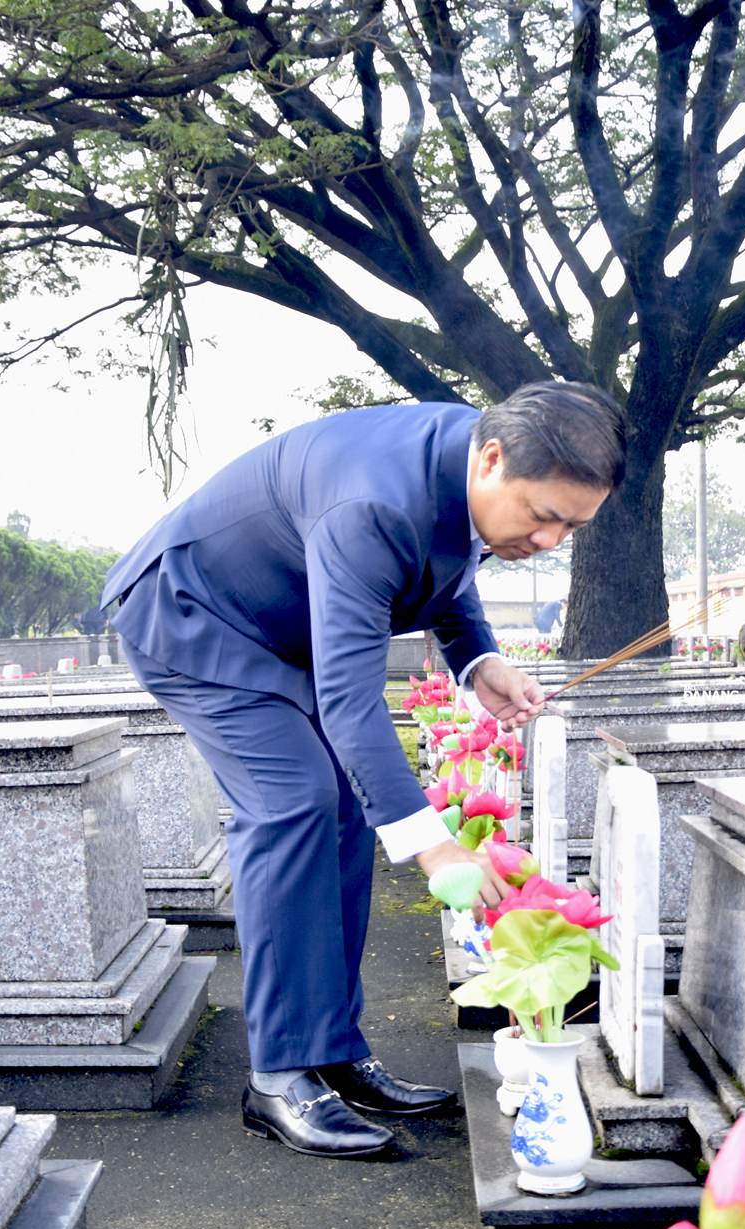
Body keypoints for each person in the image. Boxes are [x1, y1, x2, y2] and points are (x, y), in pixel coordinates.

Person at [102, 383, 625, 1159]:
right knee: (293, 803)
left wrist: (479, 659)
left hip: (276, 621)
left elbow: (443, 563)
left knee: (343, 804)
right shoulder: (373, 505)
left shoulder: (472, 464)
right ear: (491, 460)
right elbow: (354, 700)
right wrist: (436, 847)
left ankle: (332, 1051)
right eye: (543, 516)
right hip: (191, 613)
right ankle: (279, 1076)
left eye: (572, 527)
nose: (550, 540)